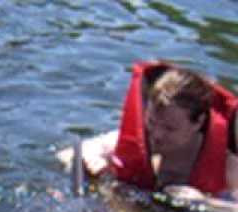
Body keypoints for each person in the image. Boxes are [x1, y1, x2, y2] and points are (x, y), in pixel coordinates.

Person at [57, 61, 238, 204]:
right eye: (151, 122)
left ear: (198, 122)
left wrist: (205, 203)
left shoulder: (228, 166)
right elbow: (66, 154)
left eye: (169, 128)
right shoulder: (140, 138)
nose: (157, 135)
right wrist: (89, 160)